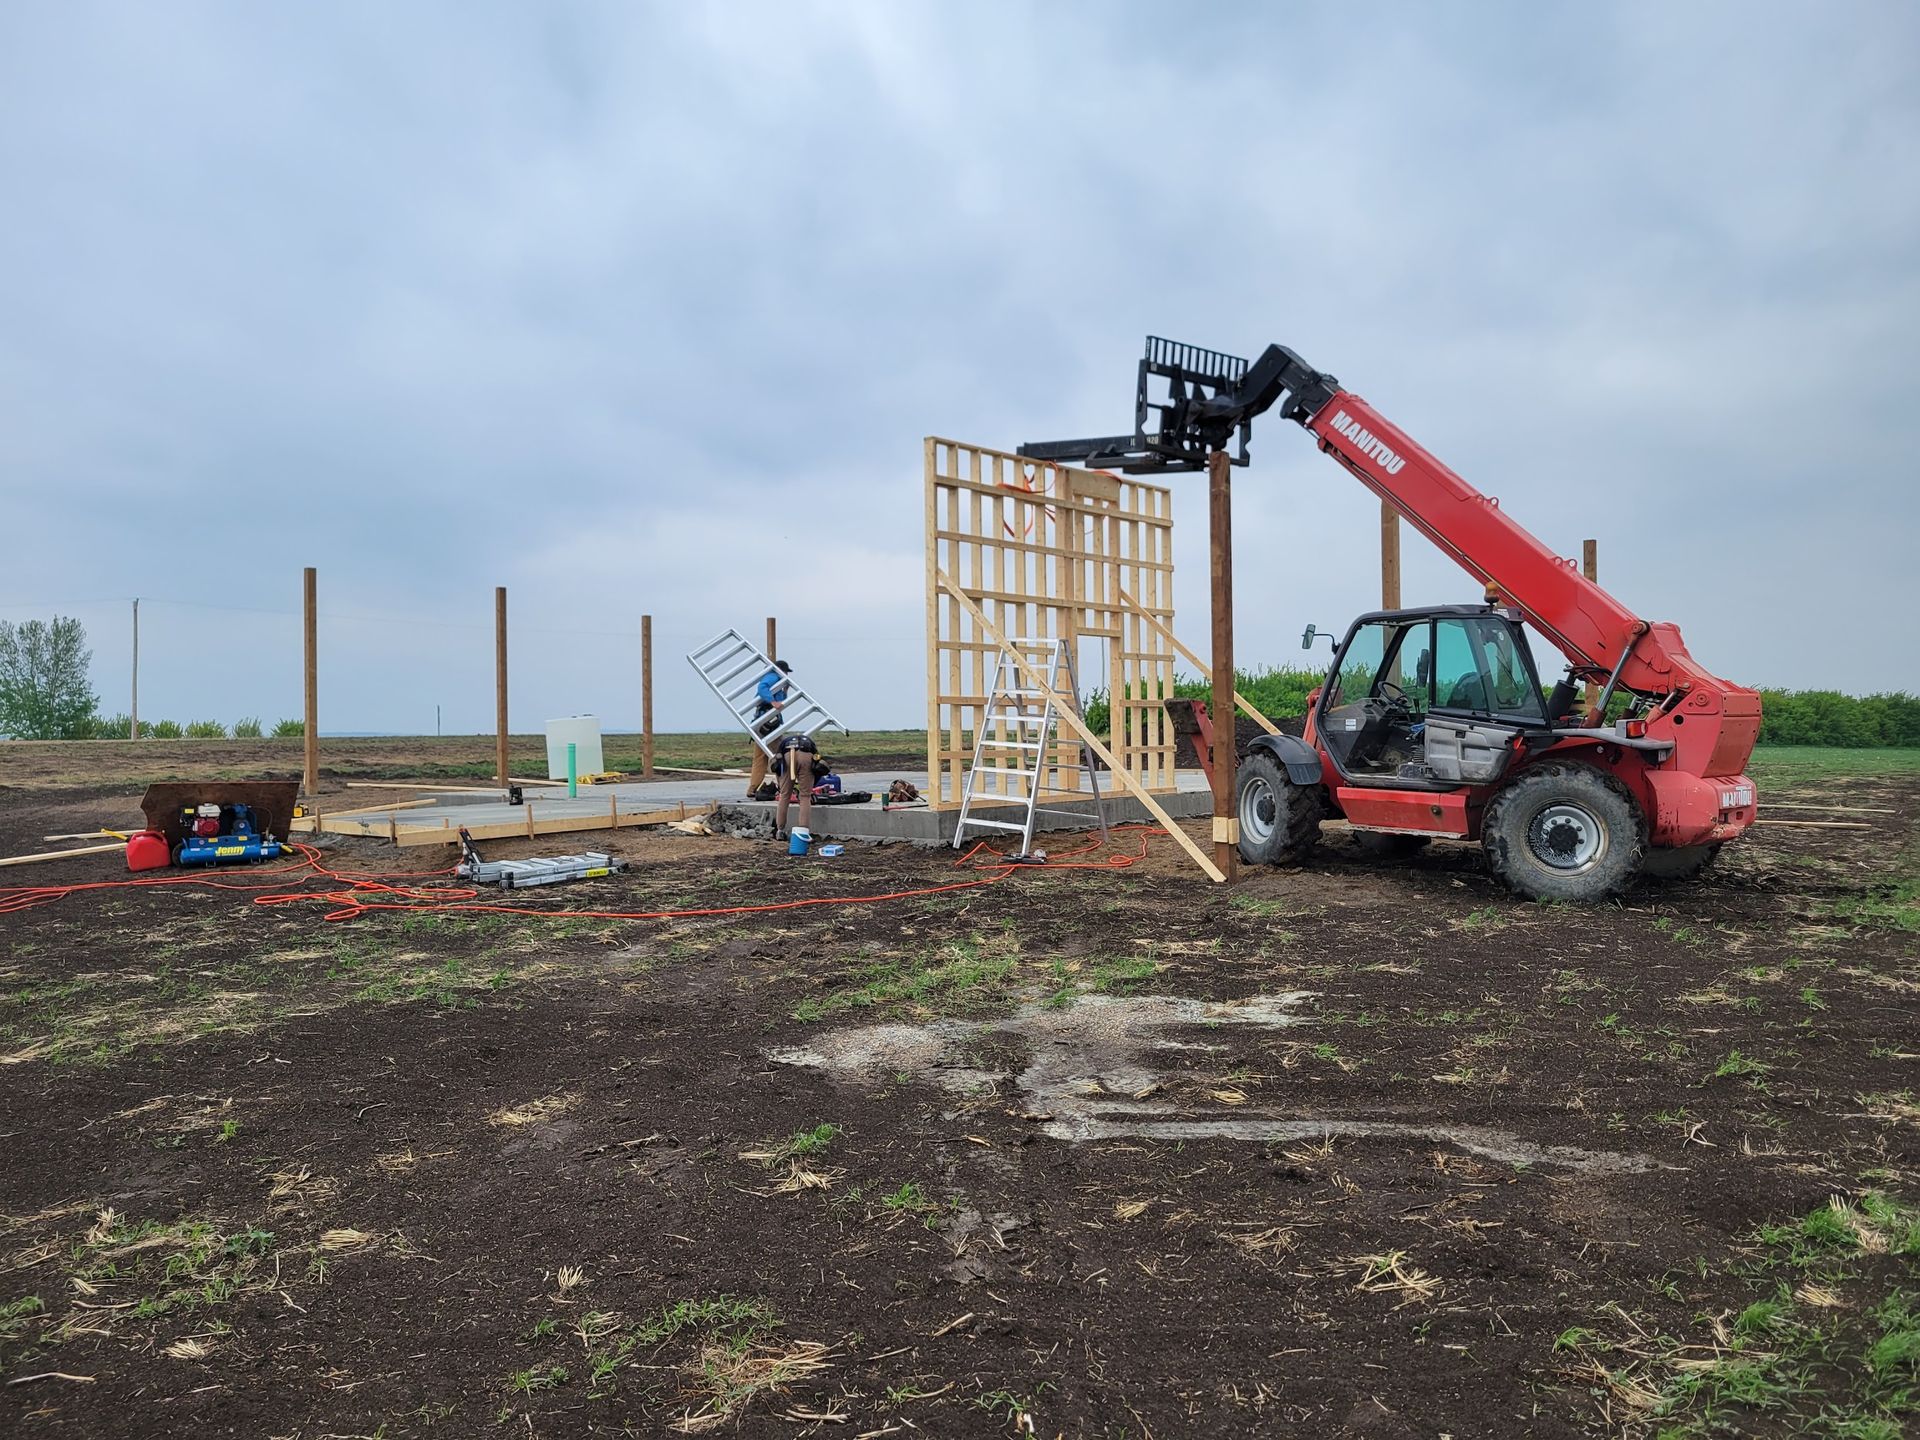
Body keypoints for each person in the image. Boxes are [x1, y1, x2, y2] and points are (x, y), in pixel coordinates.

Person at [744, 660, 793, 797]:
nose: (787, 674)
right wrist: (772, 701)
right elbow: (762, 688)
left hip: (761, 723)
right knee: (778, 755)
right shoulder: (773, 676)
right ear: (781, 670)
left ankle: (753, 788)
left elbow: (779, 699)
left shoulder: (776, 681)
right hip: (768, 723)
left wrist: (784, 691)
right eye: (786, 672)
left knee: (760, 757)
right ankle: (784, 787)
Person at [772, 732, 819, 842]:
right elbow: (817, 766)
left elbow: (777, 766)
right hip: (806, 755)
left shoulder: (784, 743)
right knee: (805, 797)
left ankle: (780, 831)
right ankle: (803, 832)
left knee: (784, 796)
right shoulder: (810, 743)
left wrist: (782, 786)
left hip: (786, 756)